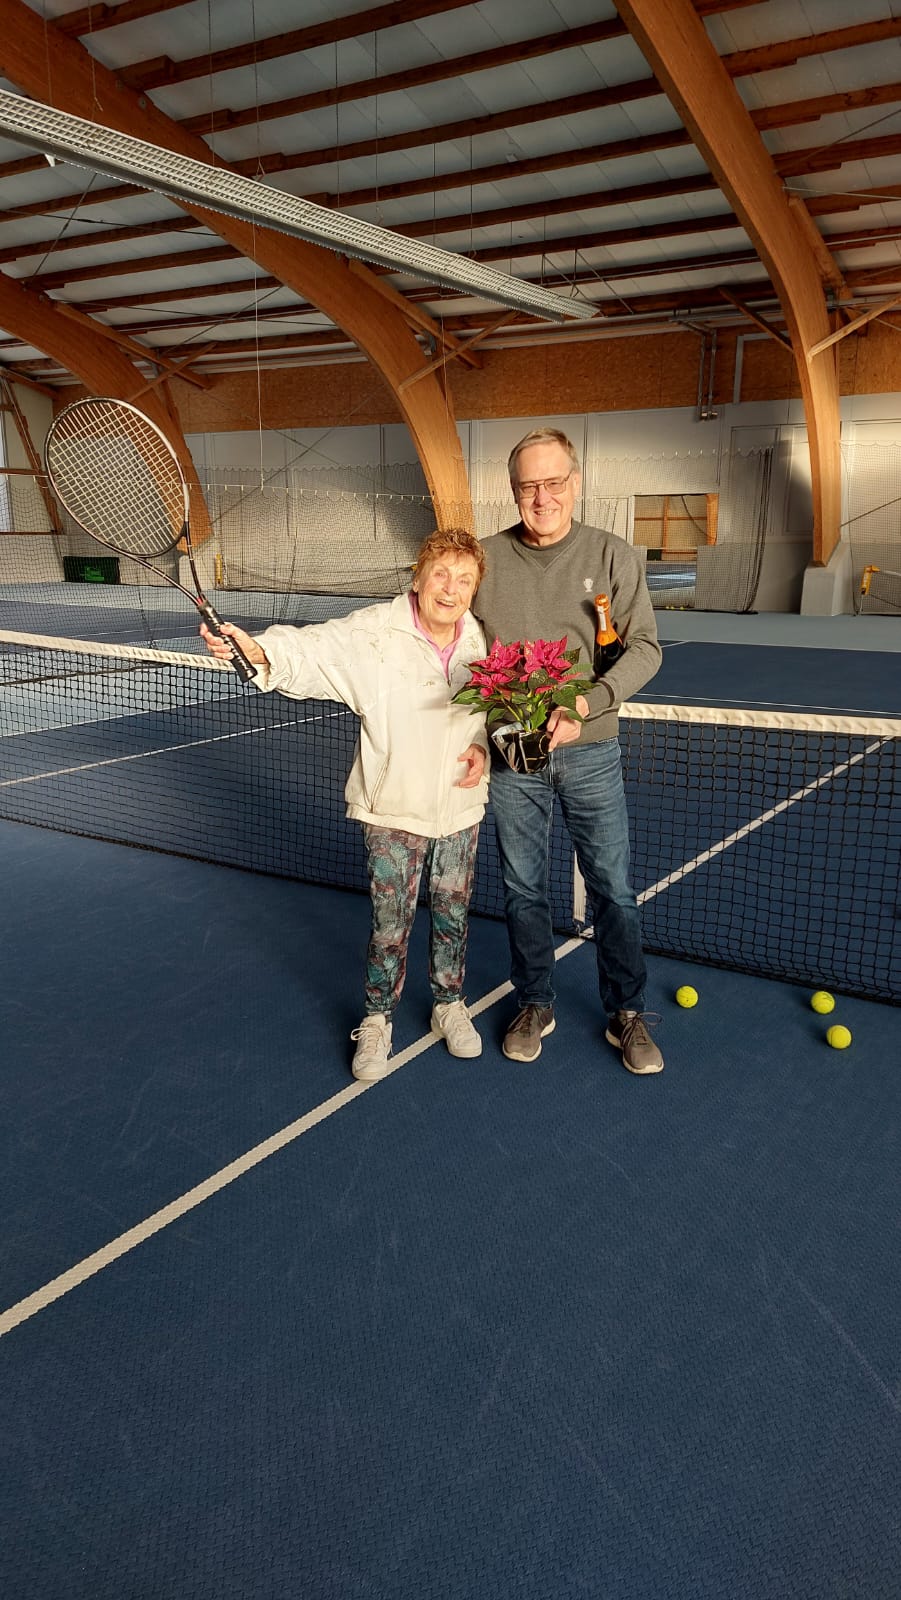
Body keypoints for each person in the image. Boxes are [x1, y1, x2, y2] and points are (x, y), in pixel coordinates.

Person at [200, 528, 489, 1084]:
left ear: (474, 590)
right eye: (440, 575)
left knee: (453, 915)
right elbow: (312, 649)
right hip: (391, 811)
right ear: (419, 578)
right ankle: (377, 1020)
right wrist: (259, 649)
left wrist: (480, 746)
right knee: (390, 927)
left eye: (464, 580)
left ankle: (448, 1003)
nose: (450, 590)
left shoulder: (478, 640)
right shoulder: (375, 634)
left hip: (459, 807)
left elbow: (484, 711)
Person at [472, 428, 665, 1074]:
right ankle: (535, 1001)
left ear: (574, 484)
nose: (541, 496)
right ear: (513, 490)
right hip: (510, 757)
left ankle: (628, 1012)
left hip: (590, 749)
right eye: (528, 485)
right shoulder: (486, 560)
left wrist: (587, 703)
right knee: (522, 889)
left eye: (553, 482)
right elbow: (452, 646)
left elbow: (645, 648)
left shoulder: (612, 555)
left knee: (613, 887)